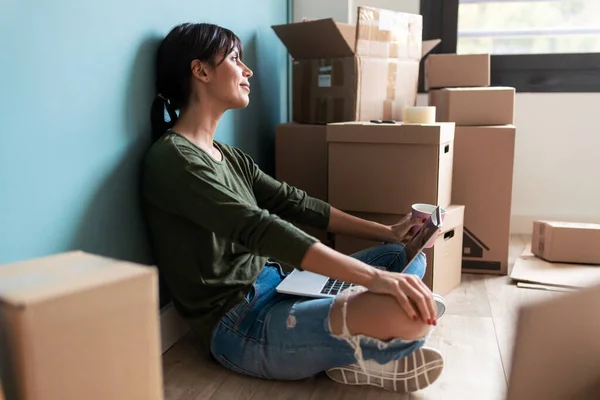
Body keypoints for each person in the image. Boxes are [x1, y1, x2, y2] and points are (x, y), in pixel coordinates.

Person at [142, 22, 447, 393]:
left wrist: (390, 233)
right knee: (408, 311)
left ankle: (362, 330)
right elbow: (260, 228)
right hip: (243, 325)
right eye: (236, 60)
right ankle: (372, 336)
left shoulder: (229, 156)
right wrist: (375, 280)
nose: (248, 71)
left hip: (285, 287)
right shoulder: (175, 161)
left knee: (405, 255)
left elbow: (295, 203)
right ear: (201, 70)